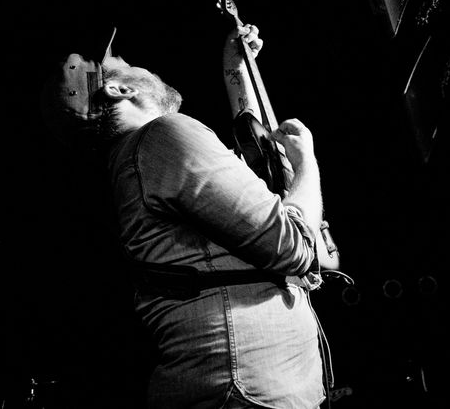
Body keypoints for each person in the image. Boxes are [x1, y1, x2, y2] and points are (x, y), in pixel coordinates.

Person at [40, 23, 327, 409]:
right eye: (124, 62)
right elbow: (293, 246)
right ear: (119, 89)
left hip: (240, 384)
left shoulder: (137, 160)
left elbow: (257, 164)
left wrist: (237, 69)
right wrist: (307, 161)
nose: (146, 68)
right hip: (249, 387)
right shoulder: (164, 135)